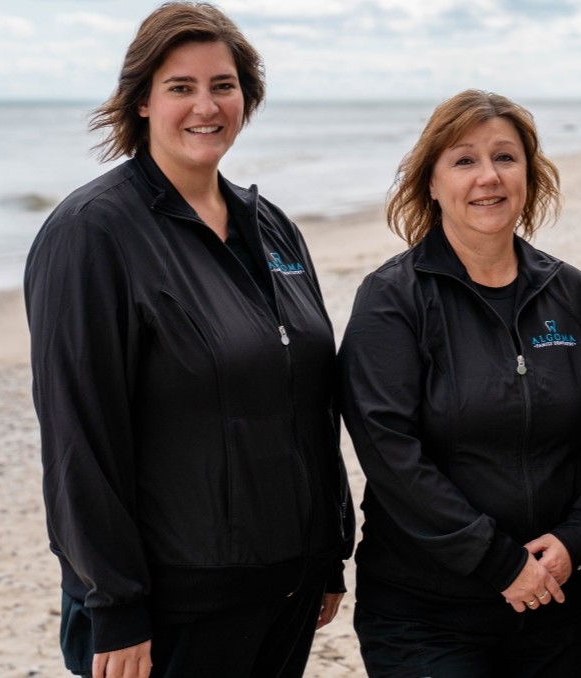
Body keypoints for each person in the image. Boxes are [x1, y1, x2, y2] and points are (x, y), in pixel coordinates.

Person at [24, 3, 354, 677]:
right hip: (176, 605)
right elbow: (77, 440)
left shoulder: (272, 227)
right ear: (141, 100)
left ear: (246, 97)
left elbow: (310, 400)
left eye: (223, 85)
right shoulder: (92, 234)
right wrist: (115, 605)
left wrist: (329, 550)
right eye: (181, 87)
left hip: (286, 587)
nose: (206, 105)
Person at [336, 89, 581, 677]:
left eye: (505, 157)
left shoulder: (571, 291)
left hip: (556, 600)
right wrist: (500, 563)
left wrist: (578, 537)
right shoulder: (392, 299)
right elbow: (390, 455)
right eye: (464, 160)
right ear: (431, 183)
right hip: (427, 611)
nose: (488, 176)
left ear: (530, 176)